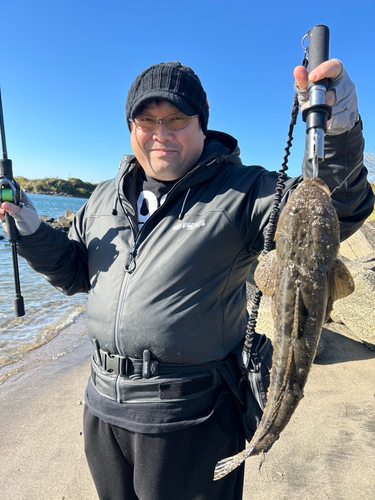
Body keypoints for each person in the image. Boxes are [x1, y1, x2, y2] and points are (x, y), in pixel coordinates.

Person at [1, 59, 374, 500]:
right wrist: (28, 227)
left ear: (202, 123)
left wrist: (339, 128)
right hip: (103, 406)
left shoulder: (244, 191)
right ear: (131, 126)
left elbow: (335, 206)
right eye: (147, 119)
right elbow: (76, 273)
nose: (161, 131)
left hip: (190, 415)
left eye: (177, 118)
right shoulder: (104, 196)